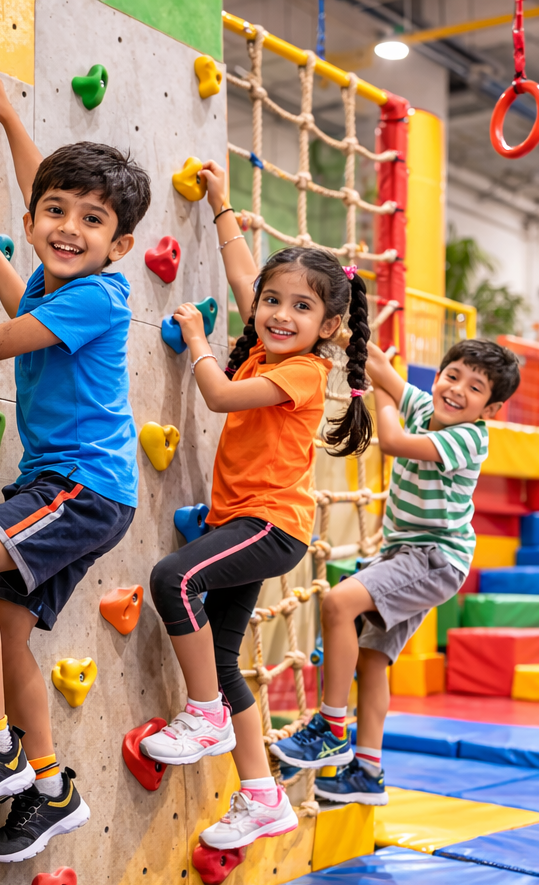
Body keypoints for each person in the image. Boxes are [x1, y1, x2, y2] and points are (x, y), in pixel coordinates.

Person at [0, 77, 152, 864]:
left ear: (120, 245)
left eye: (92, 221)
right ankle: (50, 788)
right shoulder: (60, 278)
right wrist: (12, 118)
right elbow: (28, 285)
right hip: (79, 489)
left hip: (80, 487)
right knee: (8, 634)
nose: (67, 228)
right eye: (55, 212)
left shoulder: (100, 294)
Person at [139, 160, 373, 849]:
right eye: (273, 301)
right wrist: (221, 206)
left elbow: (217, 395)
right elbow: (245, 273)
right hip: (243, 522)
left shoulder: (303, 371)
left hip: (271, 525)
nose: (278, 314)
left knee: (173, 578)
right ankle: (263, 795)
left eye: (301, 308)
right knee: (225, 657)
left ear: (330, 326)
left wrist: (197, 341)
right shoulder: (270, 348)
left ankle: (204, 714)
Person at [275, 337, 520, 804]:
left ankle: (330, 728)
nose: (457, 390)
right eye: (453, 376)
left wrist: (383, 394)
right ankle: (367, 772)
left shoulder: (471, 438)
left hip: (434, 558)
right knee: (371, 658)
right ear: (439, 375)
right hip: (403, 554)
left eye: (475, 388)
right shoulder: (425, 405)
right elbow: (382, 368)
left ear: (490, 410)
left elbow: (391, 440)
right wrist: (346, 335)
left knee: (339, 603)